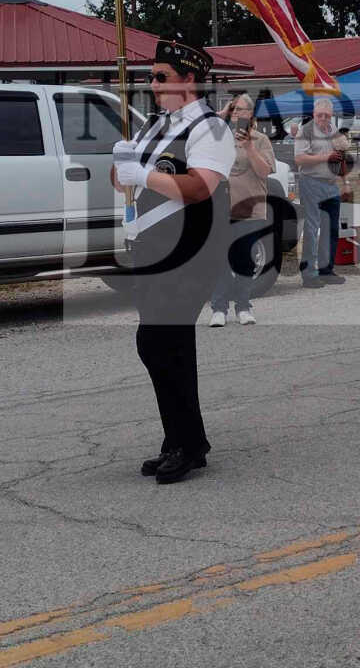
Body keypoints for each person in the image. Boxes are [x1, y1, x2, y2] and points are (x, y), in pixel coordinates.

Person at [110, 38, 235, 484]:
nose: (153, 84)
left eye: (162, 77)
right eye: (151, 77)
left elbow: (200, 187)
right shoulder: (154, 126)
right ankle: (182, 441)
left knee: (159, 342)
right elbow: (125, 182)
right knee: (167, 344)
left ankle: (186, 442)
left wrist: (144, 174)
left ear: (189, 80)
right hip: (153, 247)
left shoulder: (210, 129)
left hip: (191, 250)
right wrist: (122, 165)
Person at [209, 93, 276, 327]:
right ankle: (219, 308)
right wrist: (221, 116)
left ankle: (243, 306)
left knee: (245, 259)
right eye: (234, 109)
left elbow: (264, 171)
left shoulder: (260, 140)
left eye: (241, 110)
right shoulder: (219, 137)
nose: (237, 114)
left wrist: (249, 147)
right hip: (222, 208)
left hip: (250, 208)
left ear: (251, 114)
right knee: (220, 258)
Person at [294, 97, 349, 287]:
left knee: (331, 228)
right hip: (311, 182)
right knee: (311, 229)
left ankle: (326, 270)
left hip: (331, 184)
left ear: (332, 115)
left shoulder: (333, 130)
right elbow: (299, 159)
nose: (323, 118)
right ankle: (309, 275)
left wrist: (345, 182)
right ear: (314, 114)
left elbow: (342, 154)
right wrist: (326, 157)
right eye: (320, 115)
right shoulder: (305, 131)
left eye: (327, 115)